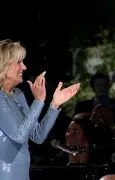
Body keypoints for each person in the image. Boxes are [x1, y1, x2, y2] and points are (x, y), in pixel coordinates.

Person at [0, 39, 80, 180]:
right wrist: (38, 101)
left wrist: (54, 105)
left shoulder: (18, 94)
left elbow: (37, 136)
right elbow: (19, 136)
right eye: (18, 62)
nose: (24, 67)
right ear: (3, 67)